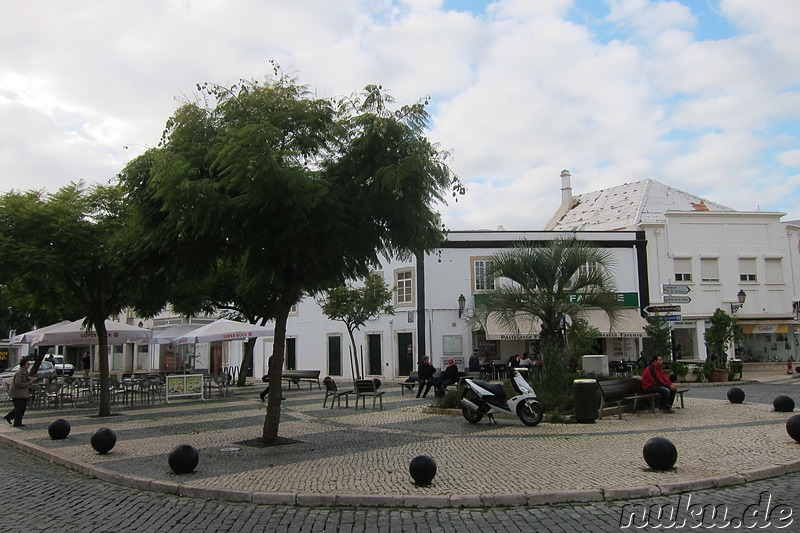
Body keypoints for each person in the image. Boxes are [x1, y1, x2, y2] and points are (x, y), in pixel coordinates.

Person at [4, 359, 38, 427]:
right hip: (17, 393)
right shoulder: (20, 372)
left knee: (21, 408)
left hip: (23, 393)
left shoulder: (25, 372)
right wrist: (29, 382)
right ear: (23, 365)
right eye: (27, 364)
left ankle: (10, 417)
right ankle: (17, 422)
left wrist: (31, 379)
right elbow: (18, 383)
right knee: (19, 408)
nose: (28, 365)